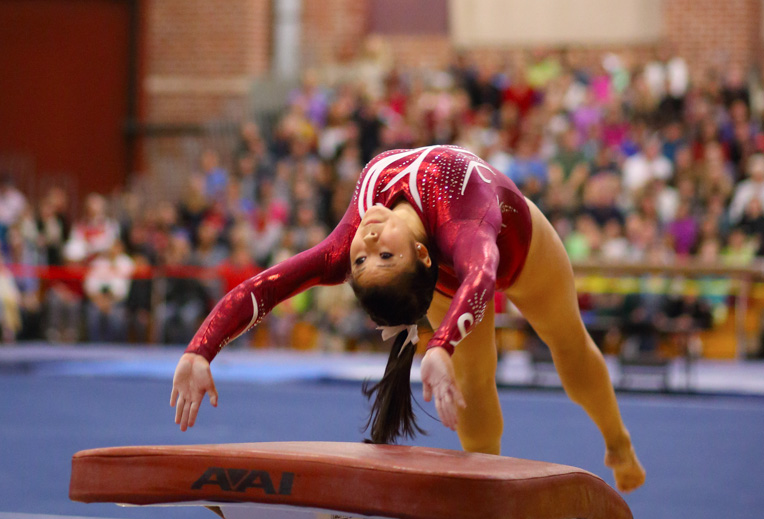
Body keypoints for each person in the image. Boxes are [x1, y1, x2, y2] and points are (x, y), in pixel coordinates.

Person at [171, 145, 645, 493]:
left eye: (362, 260)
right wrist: (440, 347)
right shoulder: (441, 228)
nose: (367, 241)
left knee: (567, 342)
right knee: (474, 382)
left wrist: (202, 347)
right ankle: (486, 499)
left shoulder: (367, 236)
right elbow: (478, 277)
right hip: (469, 263)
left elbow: (271, 285)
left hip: (519, 246)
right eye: (382, 254)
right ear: (420, 255)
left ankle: (617, 442)